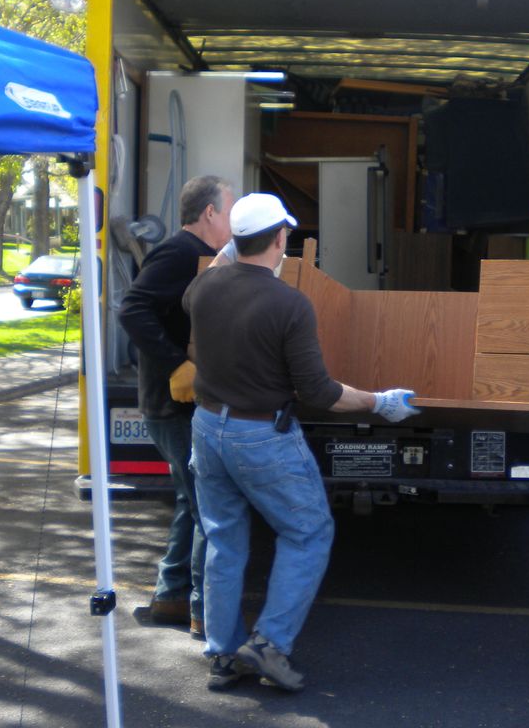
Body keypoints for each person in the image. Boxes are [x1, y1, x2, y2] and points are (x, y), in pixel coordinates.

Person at [184, 192, 420, 693]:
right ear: (279, 238)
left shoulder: (203, 290)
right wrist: (379, 401)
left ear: (234, 239)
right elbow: (318, 393)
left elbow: (215, 273)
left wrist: (231, 251)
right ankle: (269, 646)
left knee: (223, 539)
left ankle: (223, 656)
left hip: (207, 428)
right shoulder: (289, 304)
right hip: (260, 435)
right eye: (284, 234)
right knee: (308, 532)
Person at [117, 175, 236, 637]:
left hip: (179, 400)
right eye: (229, 210)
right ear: (209, 213)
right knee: (208, 504)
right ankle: (202, 612)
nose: (232, 221)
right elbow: (132, 309)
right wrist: (175, 364)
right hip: (170, 401)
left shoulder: (201, 257)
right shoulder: (179, 252)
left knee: (191, 500)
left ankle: (169, 598)